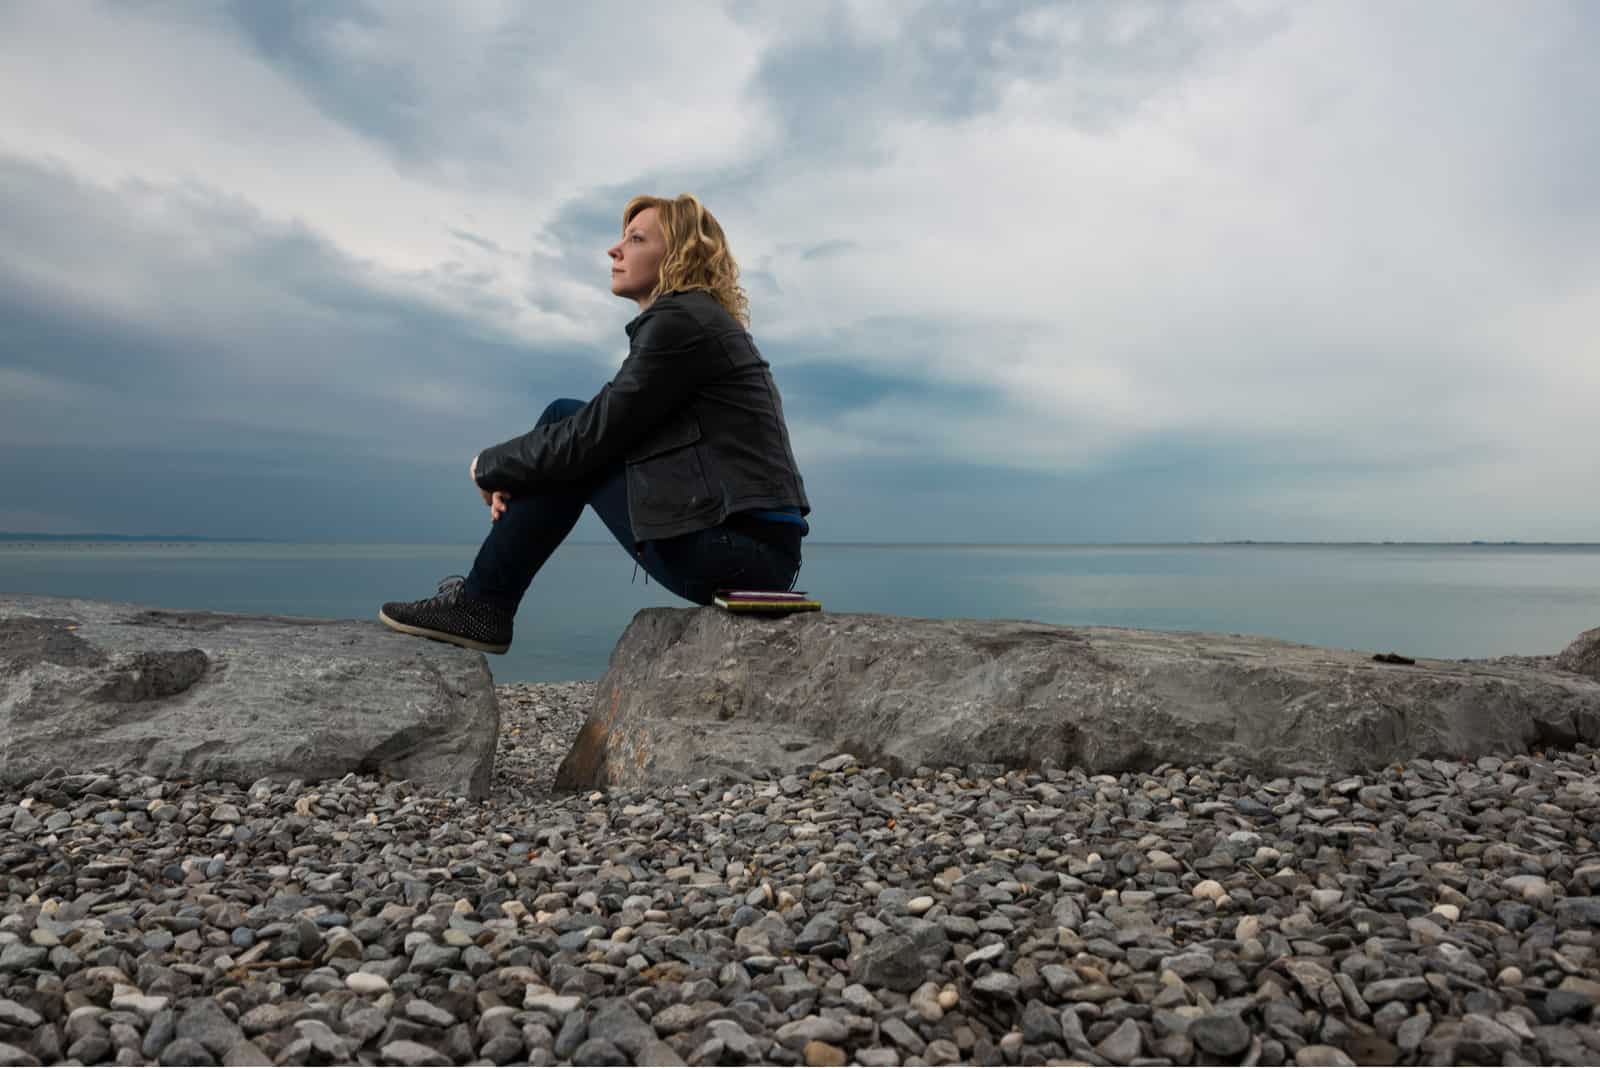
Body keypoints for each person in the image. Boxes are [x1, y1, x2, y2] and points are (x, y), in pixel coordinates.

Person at [378, 194, 811, 654]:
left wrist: (488, 466)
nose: (614, 250)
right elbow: (606, 426)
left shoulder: (682, 322)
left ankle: (482, 605)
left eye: (636, 239)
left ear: (678, 255)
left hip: (740, 552)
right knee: (567, 424)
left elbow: (589, 436)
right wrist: (521, 467)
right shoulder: (697, 323)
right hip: (752, 553)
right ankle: (483, 603)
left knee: (567, 423)